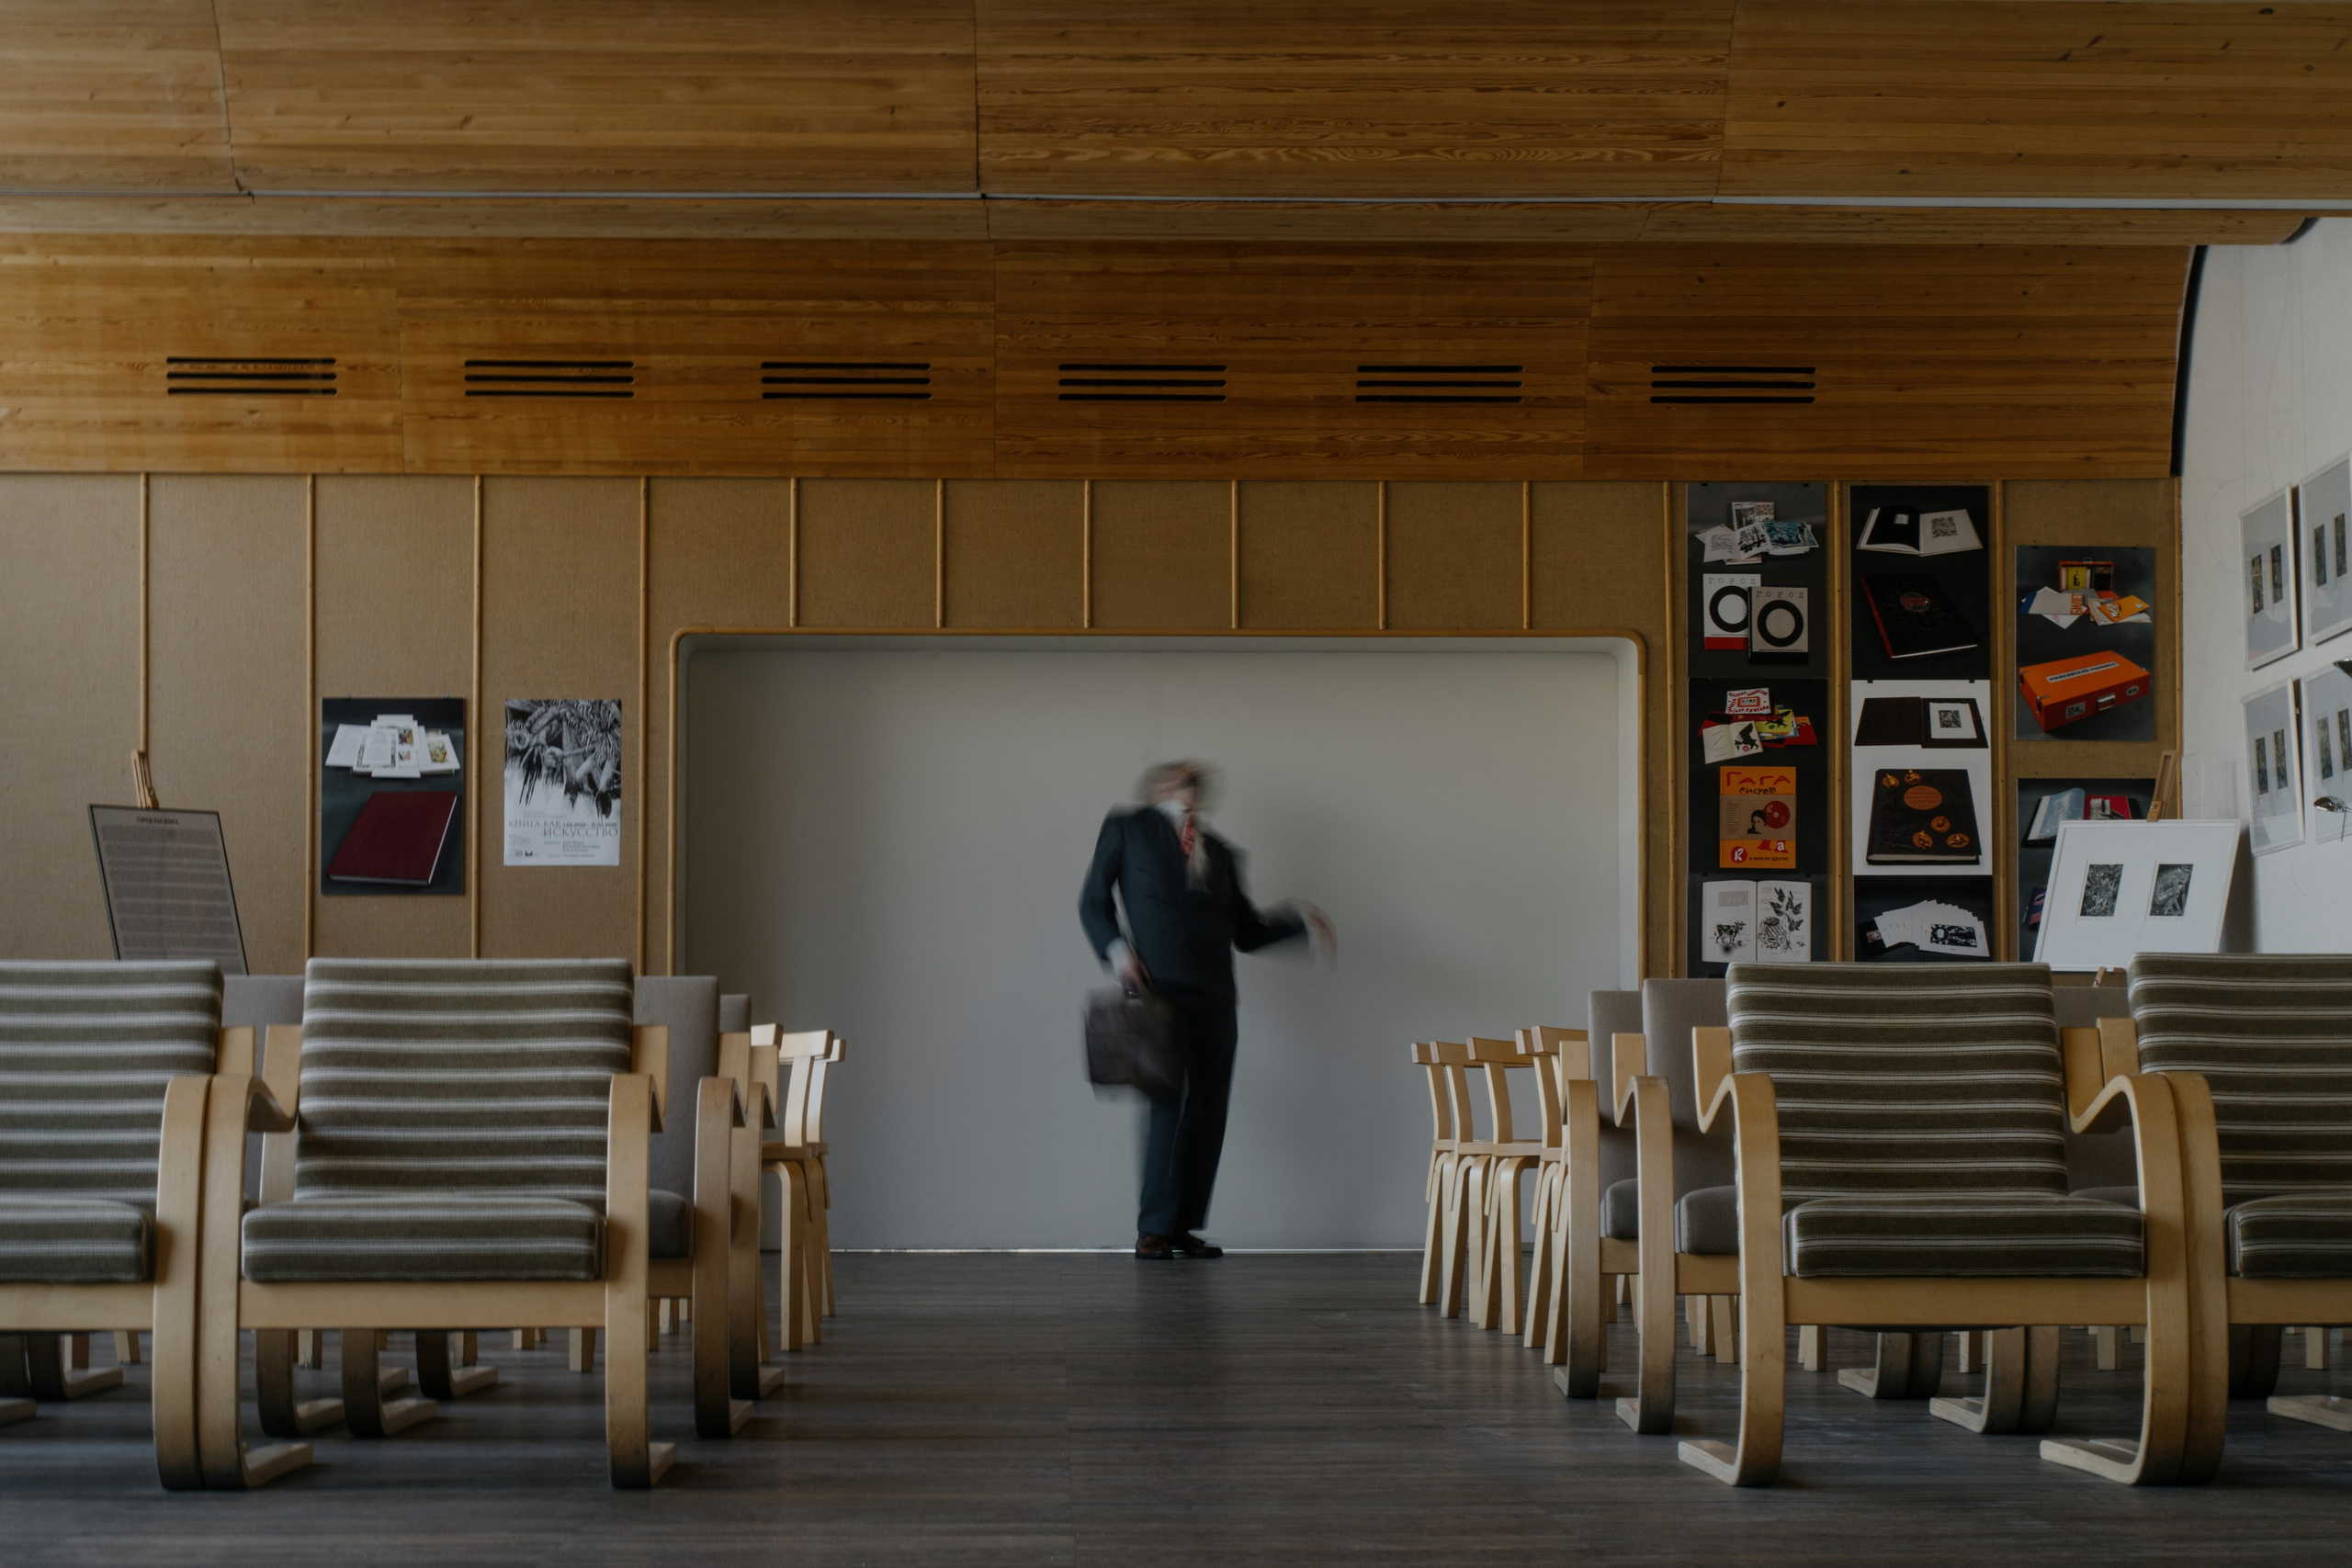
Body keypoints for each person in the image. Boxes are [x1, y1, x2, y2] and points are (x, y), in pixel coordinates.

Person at [1078, 761, 1333, 1260]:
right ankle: (1152, 1228)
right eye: (1172, 777)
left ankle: (1181, 1228)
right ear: (1155, 790)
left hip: (1216, 996)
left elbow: (1248, 932)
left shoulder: (1223, 853)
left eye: (1190, 777)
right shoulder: (1128, 828)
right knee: (1166, 1108)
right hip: (1157, 992)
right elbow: (1092, 902)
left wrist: (1299, 921)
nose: (1183, 780)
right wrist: (1120, 955)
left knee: (1208, 1111)